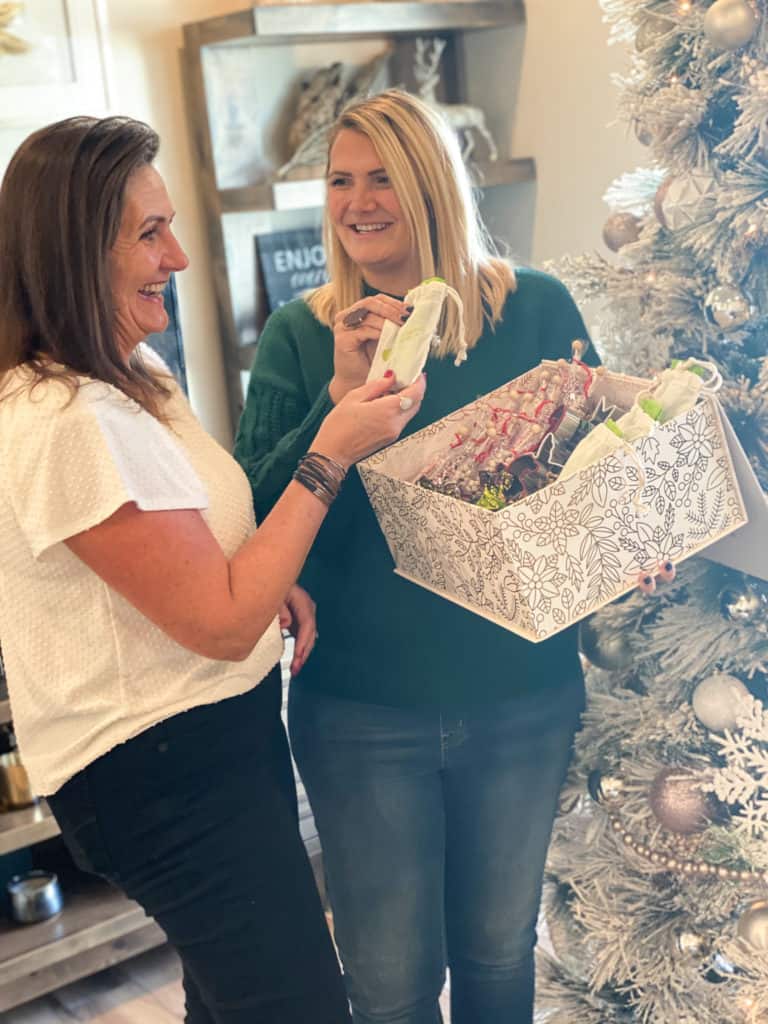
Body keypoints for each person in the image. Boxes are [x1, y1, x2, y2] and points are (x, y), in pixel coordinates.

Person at [0, 115, 425, 1024]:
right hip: (159, 772)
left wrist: (268, 563)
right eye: (149, 234)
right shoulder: (63, 419)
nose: (180, 257)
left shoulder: (128, 373)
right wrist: (335, 451)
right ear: (77, 253)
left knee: (235, 1004)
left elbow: (196, 550)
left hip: (212, 742)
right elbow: (224, 622)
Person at [235, 89, 600, 1024]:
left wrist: (630, 549)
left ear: (433, 185)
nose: (357, 202)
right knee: (391, 987)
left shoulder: (537, 311)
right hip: (361, 712)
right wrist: (339, 397)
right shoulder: (302, 333)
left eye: (383, 178)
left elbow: (598, 478)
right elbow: (250, 519)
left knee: (496, 960)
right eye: (340, 181)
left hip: (521, 695)